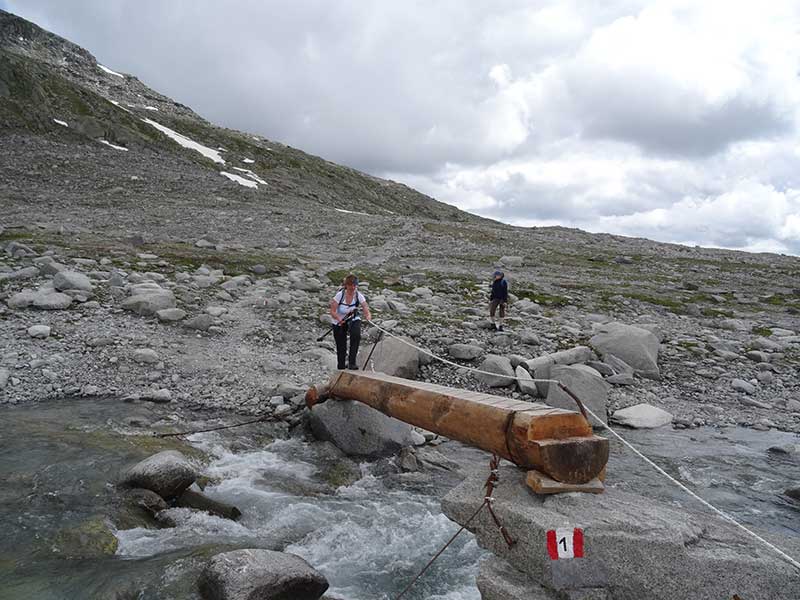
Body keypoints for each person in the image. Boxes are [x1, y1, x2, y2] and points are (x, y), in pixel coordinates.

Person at [329, 274, 371, 370]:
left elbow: (365, 307)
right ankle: (341, 367)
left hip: (352, 318)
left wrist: (368, 316)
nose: (352, 287)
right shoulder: (340, 295)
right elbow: (332, 311)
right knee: (341, 346)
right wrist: (339, 320)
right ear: (346, 285)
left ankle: (352, 363)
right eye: (350, 285)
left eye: (354, 285)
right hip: (338, 321)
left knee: (356, 335)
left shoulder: (358, 295)